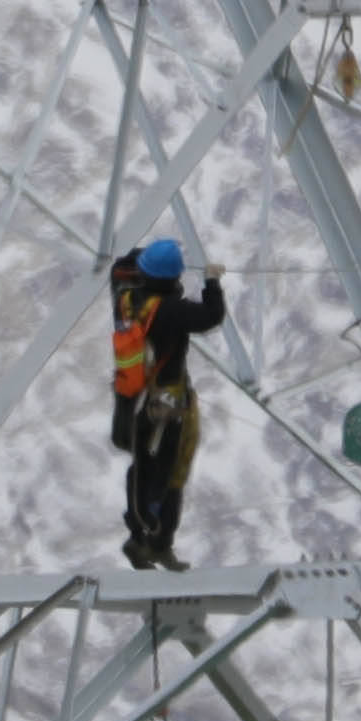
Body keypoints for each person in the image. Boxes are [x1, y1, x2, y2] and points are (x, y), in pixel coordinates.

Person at [108, 235, 228, 570]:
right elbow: (212, 315)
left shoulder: (126, 299)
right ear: (174, 277)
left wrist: (142, 254)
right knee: (170, 473)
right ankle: (158, 542)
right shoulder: (174, 312)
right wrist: (212, 281)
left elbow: (122, 266)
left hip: (134, 402)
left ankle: (138, 536)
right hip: (168, 405)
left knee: (144, 469)